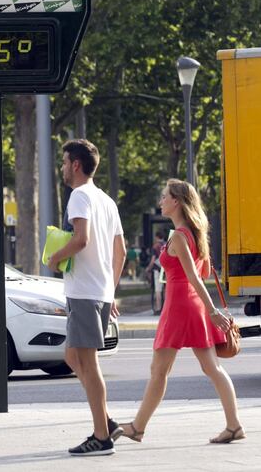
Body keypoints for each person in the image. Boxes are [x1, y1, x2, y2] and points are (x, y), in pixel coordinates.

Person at [118, 179, 245, 445]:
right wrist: (207, 309)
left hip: (179, 306)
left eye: (164, 196)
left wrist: (213, 311)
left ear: (176, 202)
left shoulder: (178, 235)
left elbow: (194, 277)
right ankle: (233, 425)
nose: (161, 201)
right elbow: (206, 271)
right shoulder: (194, 233)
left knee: (159, 370)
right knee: (211, 368)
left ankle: (137, 428)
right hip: (191, 305)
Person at [48, 139, 126, 456]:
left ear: (76, 165)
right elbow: (119, 251)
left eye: (65, 162)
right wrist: (111, 288)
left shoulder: (79, 196)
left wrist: (54, 258)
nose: (63, 167)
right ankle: (105, 421)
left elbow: (81, 240)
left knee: (89, 364)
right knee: (72, 357)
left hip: (84, 292)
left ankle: (101, 437)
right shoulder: (106, 200)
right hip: (98, 291)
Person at [145, 230, 165, 314]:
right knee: (165, 289)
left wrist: (148, 268)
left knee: (158, 290)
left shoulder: (155, 246)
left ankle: (158, 308)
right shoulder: (166, 244)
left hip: (157, 270)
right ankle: (165, 308)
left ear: (157, 237)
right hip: (166, 270)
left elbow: (153, 259)